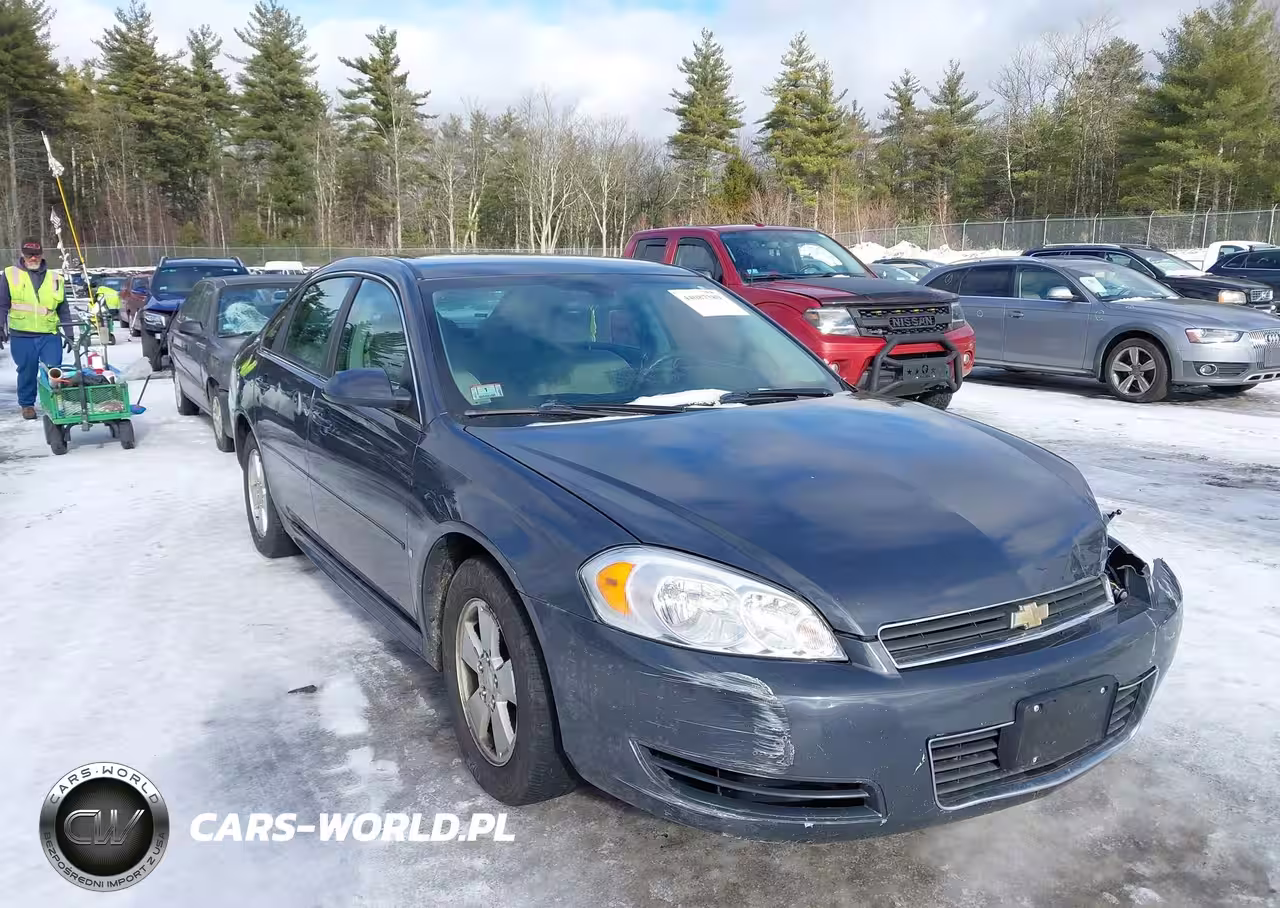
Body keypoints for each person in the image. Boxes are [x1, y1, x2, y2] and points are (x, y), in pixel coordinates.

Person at [0, 238, 73, 420]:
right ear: (22, 254)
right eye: (29, 255)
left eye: (36, 254)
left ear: (42, 254)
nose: (33, 258)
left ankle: (56, 403)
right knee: (27, 370)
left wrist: (69, 332)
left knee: (54, 370)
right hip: (22, 335)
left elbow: (63, 309)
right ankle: (27, 405)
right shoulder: (9, 275)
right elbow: (2, 304)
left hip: (49, 334)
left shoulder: (55, 278)